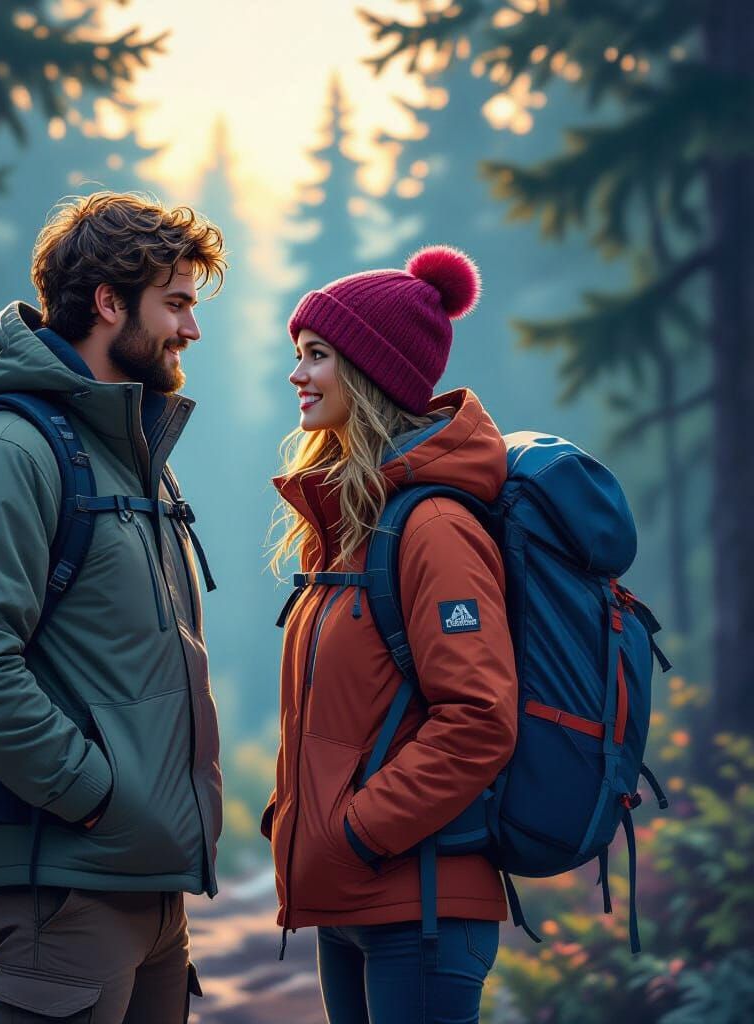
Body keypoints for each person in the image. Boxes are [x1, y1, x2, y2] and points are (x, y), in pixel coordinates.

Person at [0, 192, 225, 1023]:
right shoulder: (11, 451)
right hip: (67, 890)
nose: (191, 330)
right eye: (177, 304)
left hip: (148, 890)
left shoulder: (128, 454)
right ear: (109, 302)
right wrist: (96, 795)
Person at [263, 246, 518, 1024]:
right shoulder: (348, 528)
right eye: (297, 355)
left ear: (373, 374)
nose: (298, 375)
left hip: (421, 907)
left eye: (318, 356)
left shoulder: (434, 527)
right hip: (355, 901)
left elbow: (479, 718)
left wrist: (356, 833)